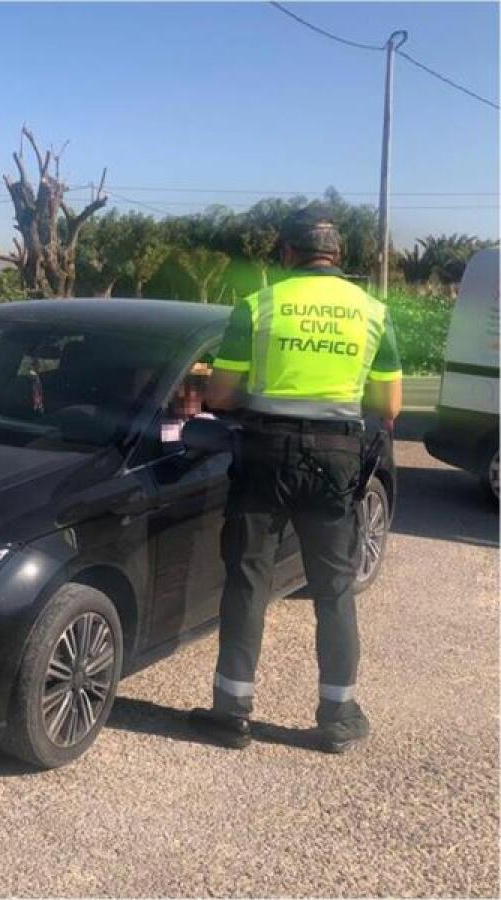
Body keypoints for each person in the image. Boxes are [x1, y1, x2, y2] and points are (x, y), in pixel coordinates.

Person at [188, 204, 403, 754]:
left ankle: (230, 714)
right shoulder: (372, 311)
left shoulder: (259, 306)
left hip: (264, 455)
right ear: (337, 256)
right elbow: (390, 405)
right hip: (335, 462)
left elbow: (220, 396)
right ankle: (338, 717)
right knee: (333, 591)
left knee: (248, 582)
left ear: (286, 254)